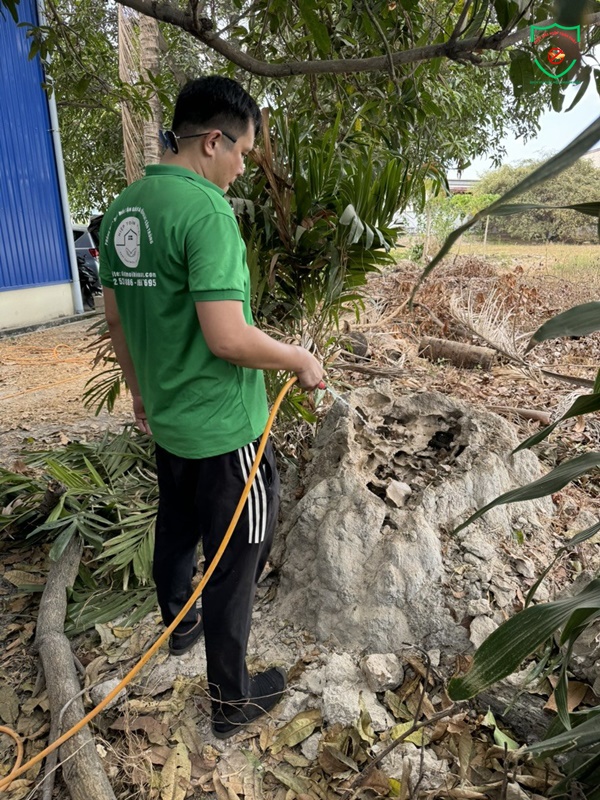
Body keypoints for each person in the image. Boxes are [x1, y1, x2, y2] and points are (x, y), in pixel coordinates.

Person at [99, 75, 324, 739]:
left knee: (177, 524)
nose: (241, 170)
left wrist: (139, 388)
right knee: (239, 558)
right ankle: (232, 701)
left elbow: (115, 316)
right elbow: (227, 336)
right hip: (227, 433)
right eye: (243, 155)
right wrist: (300, 359)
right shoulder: (206, 211)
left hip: (168, 417)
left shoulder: (126, 207)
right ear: (214, 140)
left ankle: (178, 627)